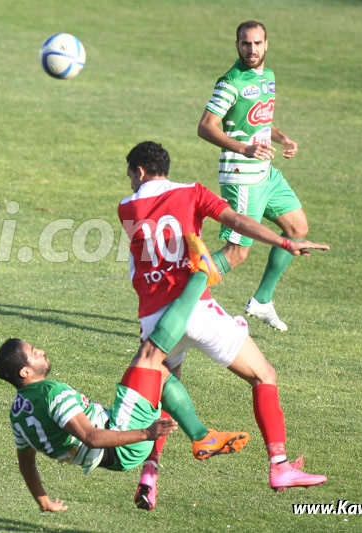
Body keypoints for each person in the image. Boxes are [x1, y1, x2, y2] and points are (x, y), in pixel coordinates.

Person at [118, 141, 328, 501]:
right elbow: (238, 222)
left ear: (139, 171)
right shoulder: (192, 192)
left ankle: (150, 475)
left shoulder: (126, 206)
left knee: (168, 392)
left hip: (153, 317)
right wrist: (283, 241)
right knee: (264, 375)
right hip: (194, 308)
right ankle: (279, 466)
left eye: (129, 175)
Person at [197, 20, 306, 331]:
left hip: (266, 173)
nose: (252, 49)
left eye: (257, 43)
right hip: (241, 176)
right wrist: (243, 149)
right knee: (237, 253)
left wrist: (282, 138)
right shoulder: (229, 82)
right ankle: (178, 297)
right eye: (246, 43)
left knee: (297, 228)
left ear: (266, 44)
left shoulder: (268, 77)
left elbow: (261, 120)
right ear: (237, 46)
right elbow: (206, 126)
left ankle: (261, 301)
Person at [0, 338, 178, 512]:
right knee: (152, 359)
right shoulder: (52, 394)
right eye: (34, 353)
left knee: (160, 374)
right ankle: (199, 438)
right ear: (25, 372)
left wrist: (44, 501)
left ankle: (152, 462)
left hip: (113, 458)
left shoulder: (17, 414)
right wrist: (146, 433)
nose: (41, 351)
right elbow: (91, 437)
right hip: (123, 441)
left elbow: (26, 463)